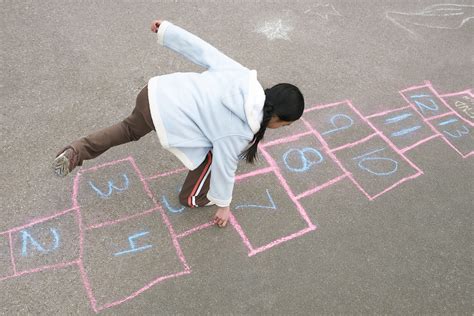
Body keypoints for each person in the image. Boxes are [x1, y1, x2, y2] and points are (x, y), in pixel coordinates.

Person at [53, 19, 305, 228]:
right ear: (277, 118)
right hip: (168, 117)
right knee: (212, 155)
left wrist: (167, 31)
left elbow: (205, 51)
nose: (281, 129)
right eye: (284, 126)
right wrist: (224, 205)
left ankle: (77, 150)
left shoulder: (242, 76)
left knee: (127, 129)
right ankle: (191, 197)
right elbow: (225, 167)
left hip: (155, 93)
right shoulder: (239, 131)